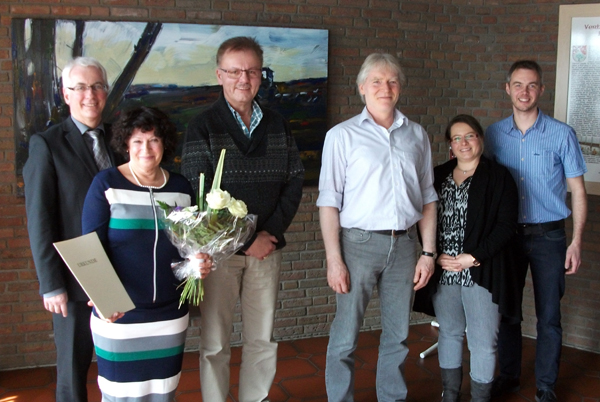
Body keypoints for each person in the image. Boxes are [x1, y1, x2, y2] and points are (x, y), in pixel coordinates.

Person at [180, 36, 304, 402]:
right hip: (219, 256)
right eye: (234, 71)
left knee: (262, 340)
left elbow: (294, 181)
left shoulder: (279, 125)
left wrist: (270, 234)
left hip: (267, 251)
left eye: (251, 71)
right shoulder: (202, 127)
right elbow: (198, 196)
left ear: (260, 76)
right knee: (215, 344)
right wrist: (247, 240)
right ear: (220, 75)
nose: (243, 79)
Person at [317, 53, 438, 402]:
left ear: (399, 88)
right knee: (345, 336)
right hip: (358, 245)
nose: (385, 88)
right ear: (361, 88)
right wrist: (333, 259)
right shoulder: (341, 136)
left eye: (392, 81)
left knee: (398, 335)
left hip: (404, 248)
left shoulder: (416, 135)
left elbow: (428, 198)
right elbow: (329, 202)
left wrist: (428, 253)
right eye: (376, 81)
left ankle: (392, 397)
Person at [81, 106, 213, 401]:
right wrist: (99, 292)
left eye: (154, 140)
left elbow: (188, 246)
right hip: (119, 316)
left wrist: (198, 263)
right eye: (138, 141)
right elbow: (90, 248)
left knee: (163, 394)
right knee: (120, 396)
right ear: (126, 144)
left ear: (164, 143)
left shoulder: (180, 188)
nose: (146, 148)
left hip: (169, 314)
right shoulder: (106, 185)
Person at [485, 60, 588, 402]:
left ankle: (545, 386)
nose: (524, 92)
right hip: (508, 238)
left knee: (549, 316)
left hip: (550, 237)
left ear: (542, 90)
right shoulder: (494, 135)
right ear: (507, 88)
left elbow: (577, 190)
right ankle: (509, 376)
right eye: (518, 85)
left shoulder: (562, 134)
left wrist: (575, 242)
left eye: (531, 85)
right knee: (508, 312)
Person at [23, 56, 120, 402]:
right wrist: (51, 286)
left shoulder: (119, 140)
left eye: (96, 86)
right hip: (74, 278)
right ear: (66, 94)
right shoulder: (45, 145)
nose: (89, 95)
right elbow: (40, 218)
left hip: (121, 269)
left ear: (105, 92)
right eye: (79, 87)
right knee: (73, 370)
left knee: (120, 361)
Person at [413, 115, 519, 402]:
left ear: (480, 139)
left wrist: (473, 257)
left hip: (481, 271)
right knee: (449, 333)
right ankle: (451, 394)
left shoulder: (499, 177)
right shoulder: (438, 175)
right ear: (450, 144)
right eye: (457, 138)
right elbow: (421, 217)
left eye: (470, 136)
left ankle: (480, 397)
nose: (464, 143)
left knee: (483, 341)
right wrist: (432, 254)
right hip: (445, 270)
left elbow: (507, 225)